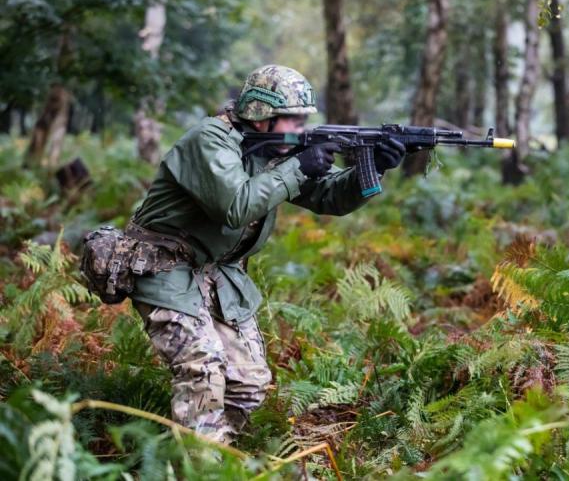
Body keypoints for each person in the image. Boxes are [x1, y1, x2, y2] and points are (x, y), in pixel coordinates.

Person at [126, 65, 405, 443]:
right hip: (163, 265)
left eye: (304, 119)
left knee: (249, 385)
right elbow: (236, 206)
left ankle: (214, 452)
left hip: (217, 272)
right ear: (260, 116)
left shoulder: (277, 149)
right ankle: (203, 466)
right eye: (291, 118)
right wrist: (298, 166)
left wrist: (372, 171)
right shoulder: (209, 140)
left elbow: (327, 197)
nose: (300, 127)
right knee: (202, 370)